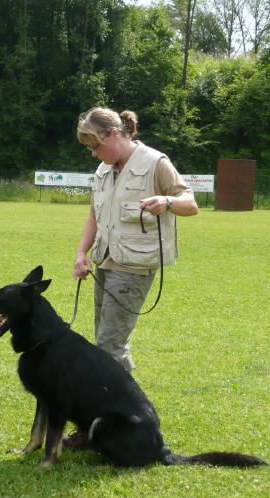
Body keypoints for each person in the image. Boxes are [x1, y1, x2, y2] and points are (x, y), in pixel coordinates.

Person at [63, 106, 198, 449]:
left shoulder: (155, 162)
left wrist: (167, 200)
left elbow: (190, 202)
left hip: (135, 267)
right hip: (105, 263)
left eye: (95, 146)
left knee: (106, 346)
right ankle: (126, 417)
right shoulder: (103, 169)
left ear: (114, 134)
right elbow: (94, 214)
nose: (94, 154)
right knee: (110, 346)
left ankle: (96, 427)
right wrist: (81, 253)